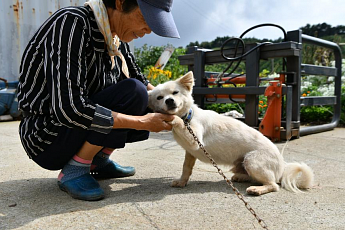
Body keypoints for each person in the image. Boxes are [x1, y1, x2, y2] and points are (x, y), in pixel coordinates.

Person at [17, 0, 180, 201]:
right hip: (47, 136)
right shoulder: (71, 23)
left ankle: (98, 161)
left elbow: (141, 82)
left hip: (72, 127)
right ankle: (75, 170)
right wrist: (142, 123)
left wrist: (173, 104)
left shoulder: (114, 37)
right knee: (133, 92)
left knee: (138, 92)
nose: (149, 30)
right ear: (120, 3)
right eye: (146, 18)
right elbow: (70, 108)